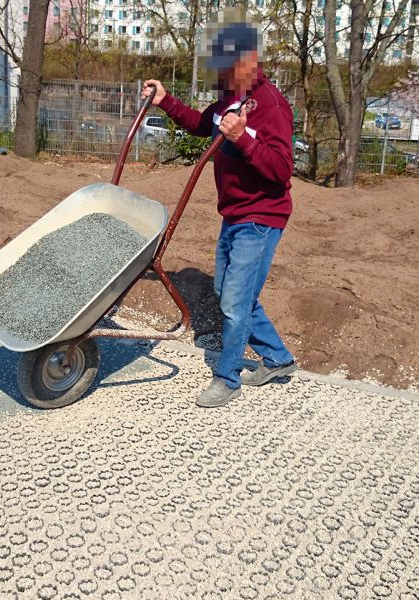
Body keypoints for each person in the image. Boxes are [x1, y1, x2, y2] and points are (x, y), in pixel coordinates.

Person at [142, 12, 296, 408]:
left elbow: (280, 170)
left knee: (233, 301)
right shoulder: (230, 100)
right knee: (230, 294)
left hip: (261, 219)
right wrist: (165, 102)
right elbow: (200, 123)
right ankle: (278, 358)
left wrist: (242, 138)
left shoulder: (270, 106)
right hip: (233, 214)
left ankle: (226, 378)